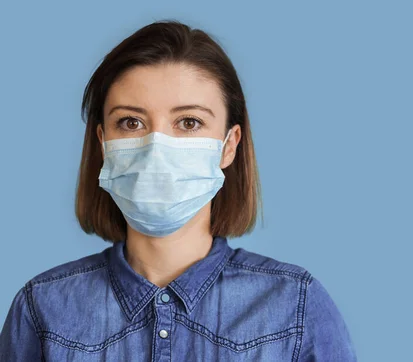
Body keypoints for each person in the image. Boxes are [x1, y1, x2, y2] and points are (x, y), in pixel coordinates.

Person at [0, 20, 357, 361]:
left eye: (189, 122)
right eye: (130, 122)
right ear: (103, 142)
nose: (157, 146)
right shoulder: (43, 309)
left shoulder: (295, 306)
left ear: (228, 145)